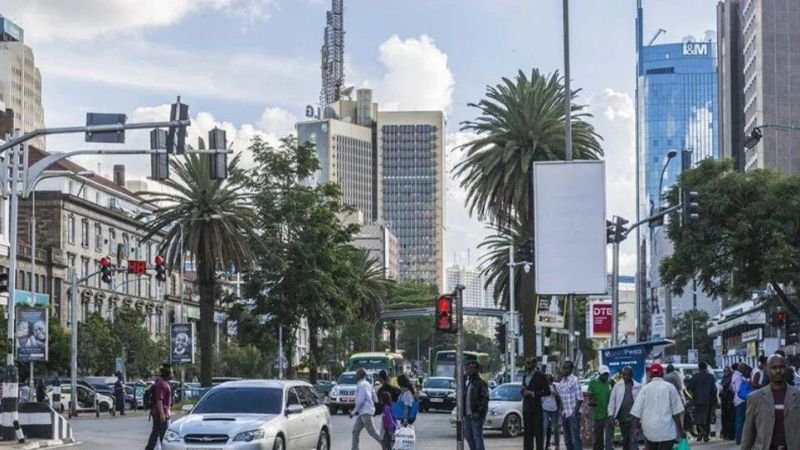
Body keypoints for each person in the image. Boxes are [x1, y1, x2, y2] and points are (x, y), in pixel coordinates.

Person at [741, 354, 800, 450]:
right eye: (774, 368)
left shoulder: (797, 396)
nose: (778, 371)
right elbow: (748, 433)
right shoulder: (755, 398)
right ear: (766, 370)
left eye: (781, 367)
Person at [630, 363, 686, 450]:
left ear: (651, 375)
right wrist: (681, 429)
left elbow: (637, 412)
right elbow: (676, 412)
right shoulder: (670, 388)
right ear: (662, 373)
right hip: (666, 431)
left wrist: (636, 428)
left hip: (649, 431)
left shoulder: (645, 389)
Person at [521, 357, 550, 450]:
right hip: (526, 408)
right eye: (525, 363)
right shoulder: (525, 375)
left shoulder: (540, 376)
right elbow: (524, 388)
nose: (526, 365)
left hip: (536, 409)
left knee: (538, 434)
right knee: (527, 435)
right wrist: (523, 391)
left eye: (528, 363)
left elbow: (547, 391)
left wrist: (533, 393)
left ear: (534, 364)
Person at [608, 366, 641, 450]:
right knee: (625, 440)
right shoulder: (617, 386)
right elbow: (612, 401)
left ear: (631, 375)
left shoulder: (638, 386)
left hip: (634, 418)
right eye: (624, 375)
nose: (625, 377)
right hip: (622, 419)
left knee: (633, 440)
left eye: (627, 375)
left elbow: (641, 403)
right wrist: (611, 414)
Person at [350, 368, 382, 450]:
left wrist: (353, 412)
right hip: (363, 412)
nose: (356, 375)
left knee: (373, 432)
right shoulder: (368, 384)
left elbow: (360, 400)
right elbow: (375, 398)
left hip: (365, 412)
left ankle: (386, 445)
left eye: (357, 373)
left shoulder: (361, 385)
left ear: (360, 375)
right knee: (355, 431)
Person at [687, 361, 717, 442]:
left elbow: (689, 387)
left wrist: (692, 396)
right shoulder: (711, 377)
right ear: (706, 368)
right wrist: (713, 399)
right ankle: (706, 436)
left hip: (697, 400)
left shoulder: (695, 376)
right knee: (706, 418)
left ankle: (700, 433)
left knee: (698, 417)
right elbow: (714, 389)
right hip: (708, 401)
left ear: (699, 368)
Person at [145, 364, 173, 450]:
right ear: (167, 374)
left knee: (157, 433)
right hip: (160, 413)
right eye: (171, 372)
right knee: (163, 435)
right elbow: (159, 400)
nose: (173, 374)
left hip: (161, 413)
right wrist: (162, 414)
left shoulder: (164, 383)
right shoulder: (161, 384)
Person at [463, 360, 489, 450]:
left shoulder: (480, 382)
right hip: (467, 415)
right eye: (469, 368)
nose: (471, 370)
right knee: (468, 436)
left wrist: (479, 412)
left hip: (476, 415)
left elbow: (484, 398)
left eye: (473, 368)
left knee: (477, 437)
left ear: (477, 369)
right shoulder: (467, 381)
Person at [588, 365, 614, 450]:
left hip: (608, 414)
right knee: (597, 438)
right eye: (604, 374)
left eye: (607, 374)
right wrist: (592, 401)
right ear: (599, 374)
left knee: (608, 438)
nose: (605, 376)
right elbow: (590, 396)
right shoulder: (593, 383)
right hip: (597, 414)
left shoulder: (611, 382)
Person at [560, 360, 583, 450]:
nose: (564, 370)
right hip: (565, 414)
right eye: (563, 368)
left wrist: (574, 413)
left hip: (573, 414)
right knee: (567, 440)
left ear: (571, 369)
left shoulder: (574, 380)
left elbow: (580, 398)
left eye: (567, 368)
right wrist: (562, 411)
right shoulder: (562, 381)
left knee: (575, 440)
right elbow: (562, 397)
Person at [732, 362, 751, 445]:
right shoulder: (738, 377)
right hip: (741, 400)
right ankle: (740, 439)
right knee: (740, 420)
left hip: (738, 400)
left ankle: (740, 438)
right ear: (742, 369)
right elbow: (740, 390)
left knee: (740, 420)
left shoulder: (736, 376)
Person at [542, 373, 561, 450]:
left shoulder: (555, 386)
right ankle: (542, 444)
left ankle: (557, 443)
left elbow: (560, 396)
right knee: (544, 427)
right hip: (545, 408)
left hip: (554, 409)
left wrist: (555, 393)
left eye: (549, 380)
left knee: (555, 427)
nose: (548, 381)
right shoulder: (543, 387)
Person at [720, 365, 735, 440]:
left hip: (729, 399)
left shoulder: (731, 377)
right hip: (724, 400)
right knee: (724, 417)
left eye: (727, 371)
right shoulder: (724, 378)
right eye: (724, 371)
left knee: (730, 418)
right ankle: (725, 433)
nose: (725, 372)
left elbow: (729, 388)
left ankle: (730, 434)